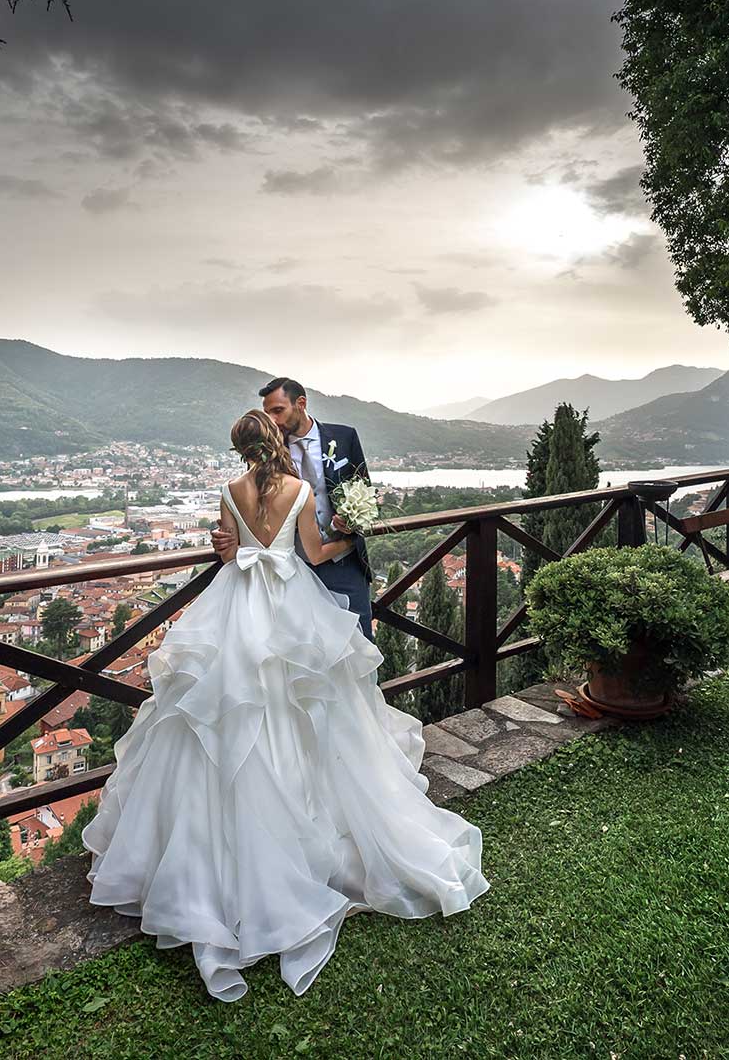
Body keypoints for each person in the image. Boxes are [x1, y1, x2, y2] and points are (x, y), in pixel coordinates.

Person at [82, 409, 489, 1002]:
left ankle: (224, 852)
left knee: (227, 712)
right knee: (305, 709)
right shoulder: (299, 490)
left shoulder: (230, 491)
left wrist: (234, 543)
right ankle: (305, 829)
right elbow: (315, 556)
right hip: (292, 607)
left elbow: (228, 558)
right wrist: (350, 534)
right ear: (276, 442)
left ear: (239, 451)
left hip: (236, 606)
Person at [213, 377, 376, 640]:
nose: (273, 419)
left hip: (343, 564)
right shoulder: (269, 447)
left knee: (357, 642)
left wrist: (353, 529)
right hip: (291, 572)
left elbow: (366, 493)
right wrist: (224, 535)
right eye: (267, 413)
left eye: (278, 410)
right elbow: (256, 506)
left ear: (300, 403)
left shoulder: (345, 437)